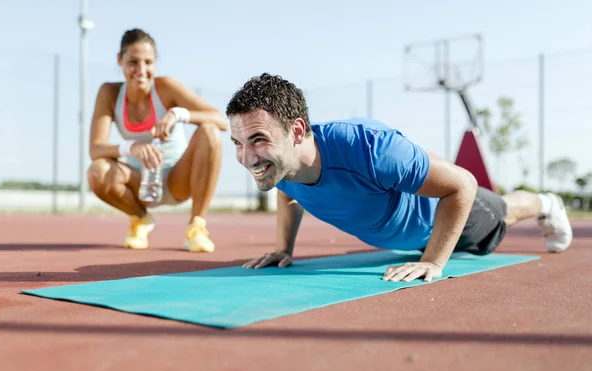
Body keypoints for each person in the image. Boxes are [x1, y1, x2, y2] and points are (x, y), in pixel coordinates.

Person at [225, 73, 573, 282]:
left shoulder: (370, 149)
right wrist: (284, 249)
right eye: (237, 143)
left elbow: (462, 185)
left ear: (297, 131)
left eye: (258, 139)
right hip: (411, 237)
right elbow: (289, 193)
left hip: (444, 214)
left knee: (504, 214)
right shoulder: (280, 167)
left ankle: (547, 203)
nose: (246, 158)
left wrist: (434, 262)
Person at [87, 29, 228, 252]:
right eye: (133, 62)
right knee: (97, 171)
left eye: (148, 62)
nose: (141, 71)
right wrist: (131, 147)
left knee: (209, 131)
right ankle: (140, 219)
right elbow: (95, 149)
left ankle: (197, 227)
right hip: (139, 182)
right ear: (119, 60)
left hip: (177, 180)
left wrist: (178, 114)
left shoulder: (166, 87)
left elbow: (221, 120)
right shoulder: (110, 92)